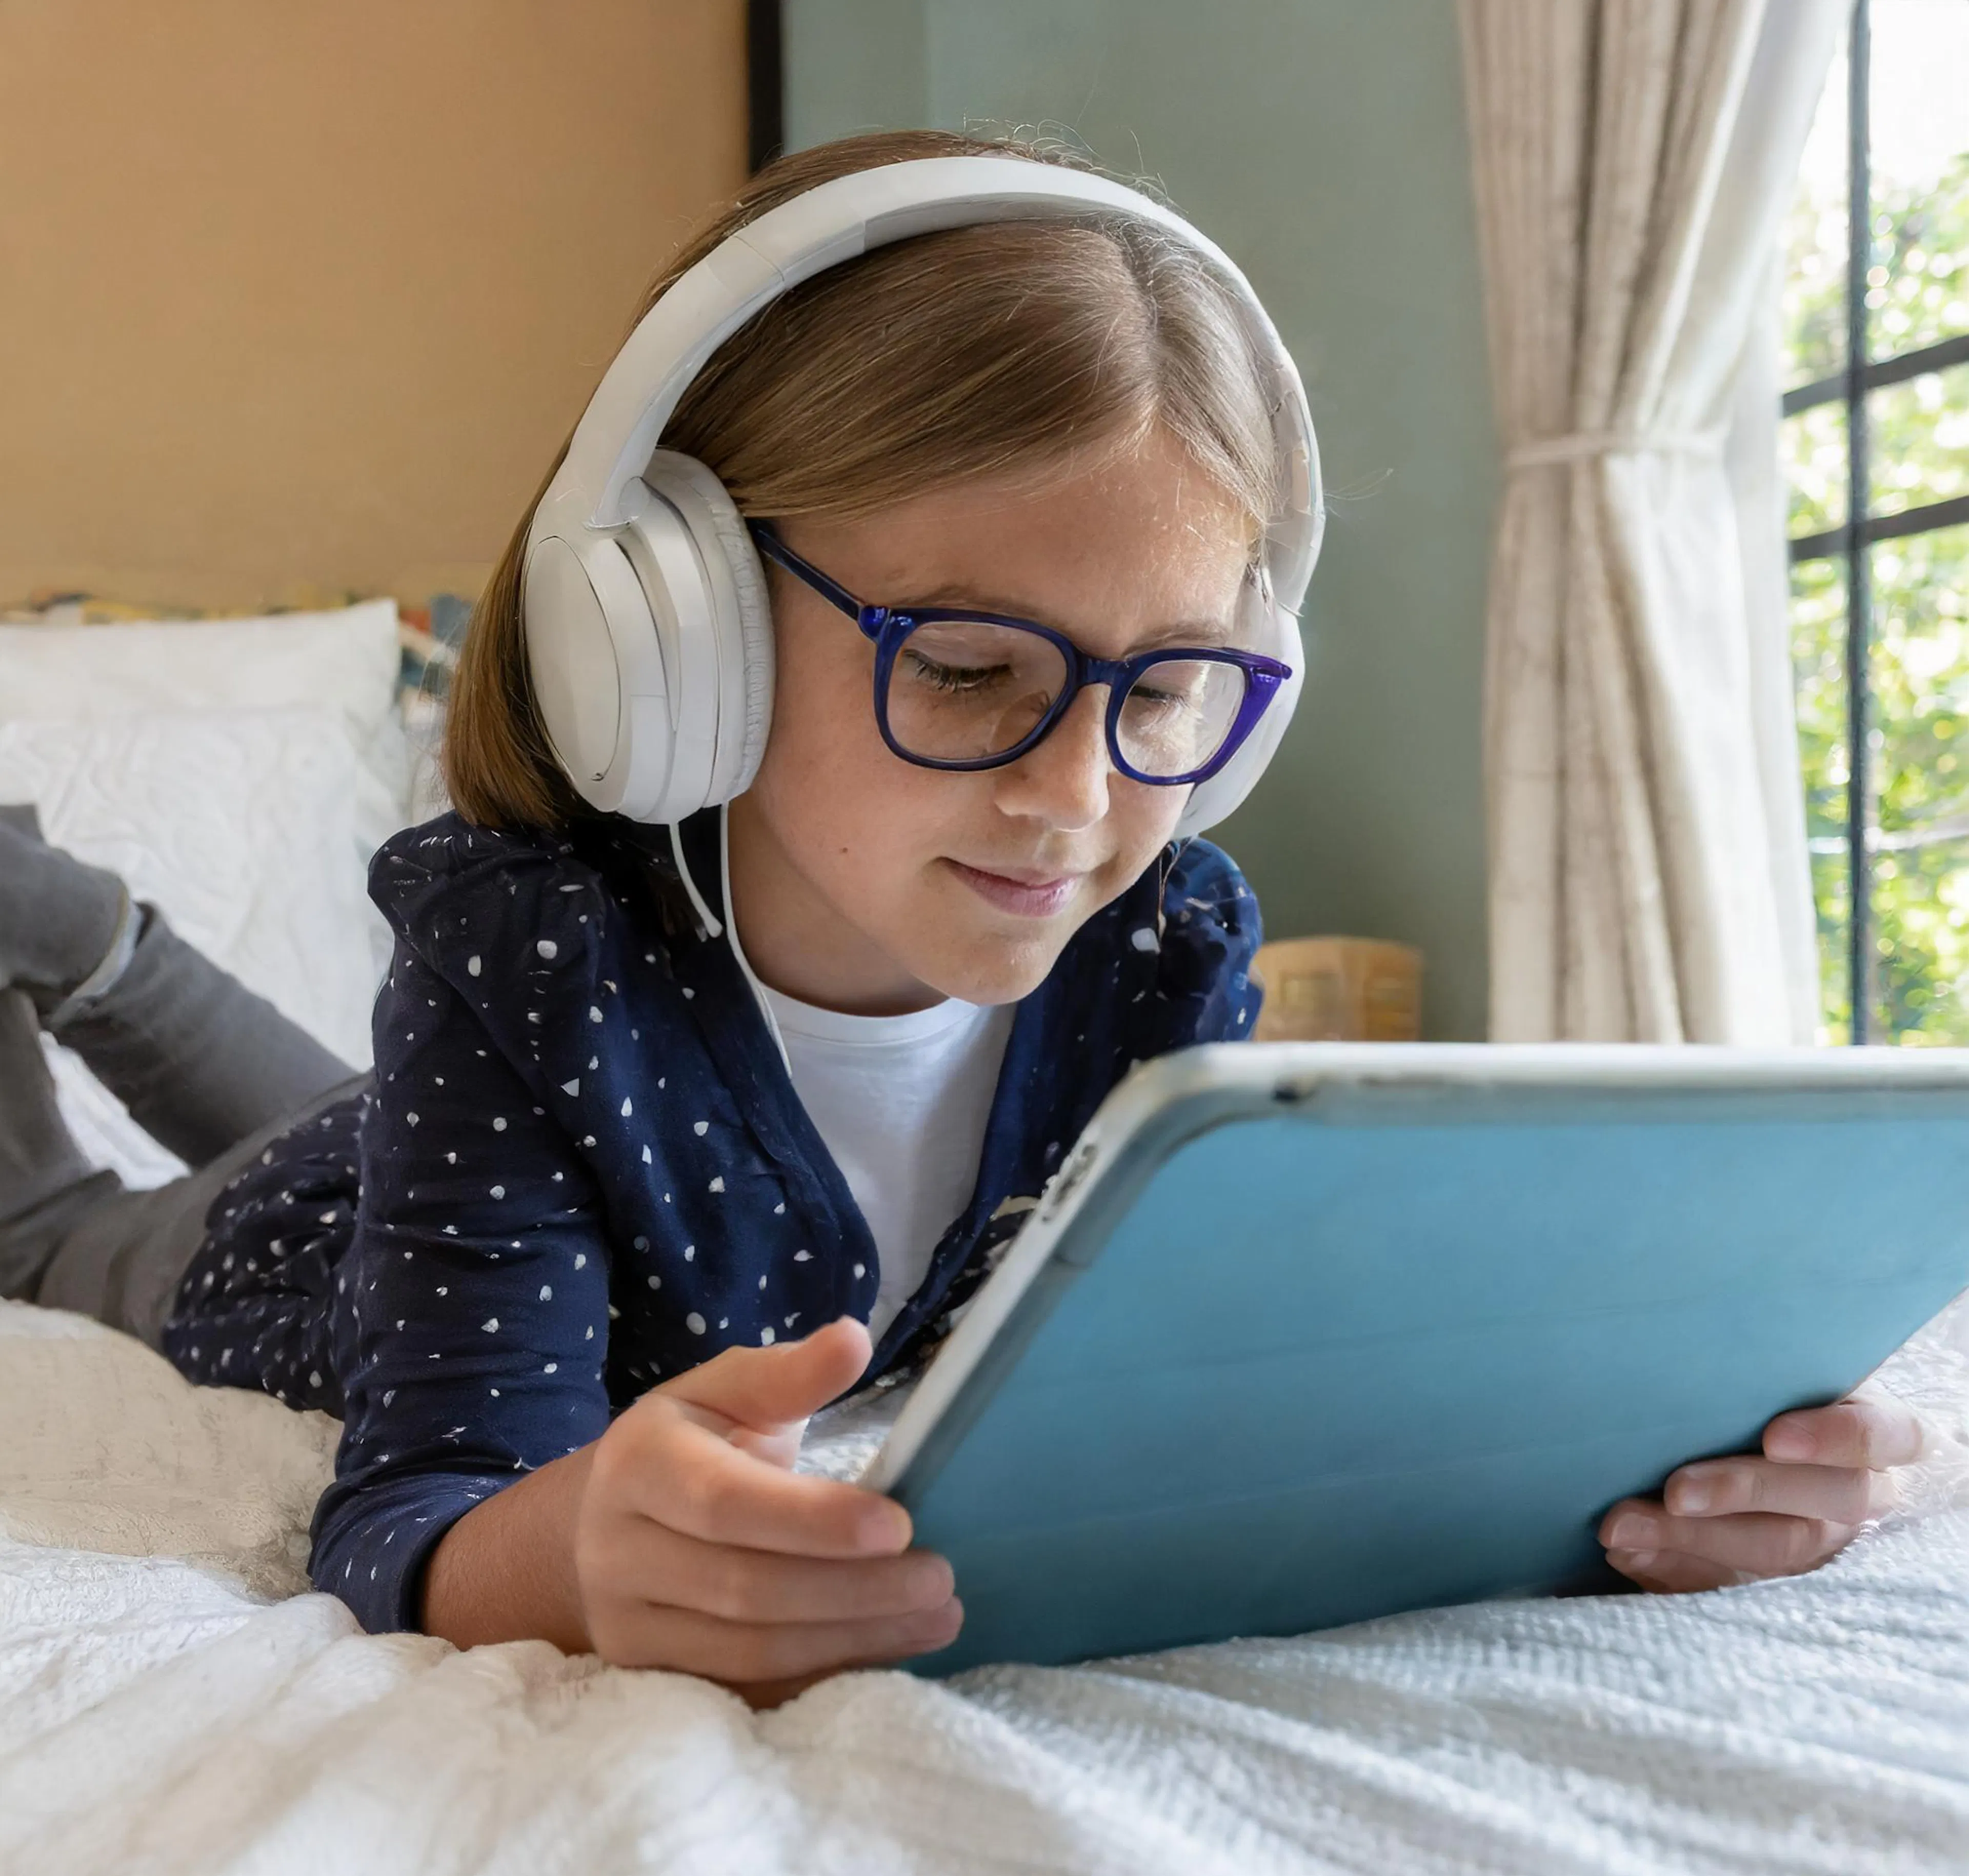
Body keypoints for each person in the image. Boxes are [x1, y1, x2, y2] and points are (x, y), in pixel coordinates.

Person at [0, 130, 1933, 1704]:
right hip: (272, 1254)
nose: (1079, 797)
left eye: (1167, 690)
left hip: (396, 1137)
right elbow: (416, 1504)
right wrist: (572, 1546)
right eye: (974, 668)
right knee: (73, 1224)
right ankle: (54, 916)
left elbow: (1236, 1380)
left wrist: (1641, 1460)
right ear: (668, 631)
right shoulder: (529, 955)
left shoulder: (1160, 953)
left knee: (327, 1111)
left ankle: (75, 928)